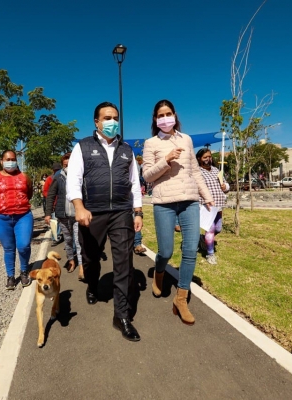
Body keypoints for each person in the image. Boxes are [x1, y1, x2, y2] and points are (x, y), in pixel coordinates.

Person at [66, 101, 143, 342]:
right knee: (90, 258)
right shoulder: (83, 147)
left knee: (124, 263)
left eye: (115, 118)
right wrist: (79, 207)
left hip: (121, 211)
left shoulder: (127, 150)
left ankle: (121, 316)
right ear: (97, 122)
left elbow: (134, 184)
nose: (112, 122)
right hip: (92, 212)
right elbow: (74, 180)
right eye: (107, 118)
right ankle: (91, 284)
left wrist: (137, 212)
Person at [142, 99, 214, 326]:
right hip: (164, 202)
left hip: (189, 201)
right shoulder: (150, 143)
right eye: (160, 115)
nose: (165, 118)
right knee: (165, 250)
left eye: (168, 113)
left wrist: (206, 195)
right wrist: (166, 160)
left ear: (175, 115)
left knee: (190, 248)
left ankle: (181, 298)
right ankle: (160, 272)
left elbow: (195, 170)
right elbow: (147, 176)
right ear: (156, 119)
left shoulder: (187, 139)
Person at [0, 150, 34, 289]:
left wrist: (18, 205)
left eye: (13, 159)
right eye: (7, 159)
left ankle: (24, 271)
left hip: (23, 217)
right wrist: (2, 206)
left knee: (23, 246)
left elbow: (29, 193)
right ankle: (10, 276)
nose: (10, 161)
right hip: (2, 219)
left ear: (16, 160)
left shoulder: (24, 176)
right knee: (9, 248)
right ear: (1, 161)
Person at [45, 153, 83, 277]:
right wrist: (48, 213)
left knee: (78, 240)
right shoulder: (58, 176)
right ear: (62, 163)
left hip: (78, 214)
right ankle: (71, 260)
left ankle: (82, 266)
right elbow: (51, 195)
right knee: (68, 240)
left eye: (70, 159)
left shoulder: (80, 175)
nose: (67, 162)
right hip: (63, 214)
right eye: (65, 160)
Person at [196, 148, 228, 265]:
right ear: (199, 159)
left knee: (218, 228)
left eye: (209, 157)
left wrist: (226, 187)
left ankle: (202, 239)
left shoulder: (216, 170)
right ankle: (210, 254)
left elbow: (224, 184)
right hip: (206, 206)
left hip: (218, 205)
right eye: (205, 157)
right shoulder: (197, 172)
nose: (208, 159)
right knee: (210, 230)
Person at [43, 162, 63, 245]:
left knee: (61, 222)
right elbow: (45, 191)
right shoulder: (49, 179)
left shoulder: (63, 177)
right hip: (54, 204)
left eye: (58, 170)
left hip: (62, 203)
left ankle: (59, 235)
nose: (56, 171)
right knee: (54, 221)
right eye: (55, 170)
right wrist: (52, 196)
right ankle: (55, 237)